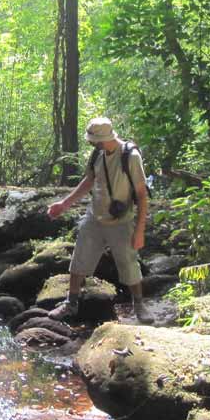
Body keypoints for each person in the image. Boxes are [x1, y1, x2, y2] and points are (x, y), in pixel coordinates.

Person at [46, 117, 154, 324]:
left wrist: (140, 231)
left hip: (122, 220)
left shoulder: (130, 156)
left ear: (104, 139)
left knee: (128, 263)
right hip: (94, 217)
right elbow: (88, 181)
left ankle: (139, 305)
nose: (91, 144)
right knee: (79, 259)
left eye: (94, 141)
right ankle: (71, 303)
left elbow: (141, 195)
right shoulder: (98, 153)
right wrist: (64, 204)